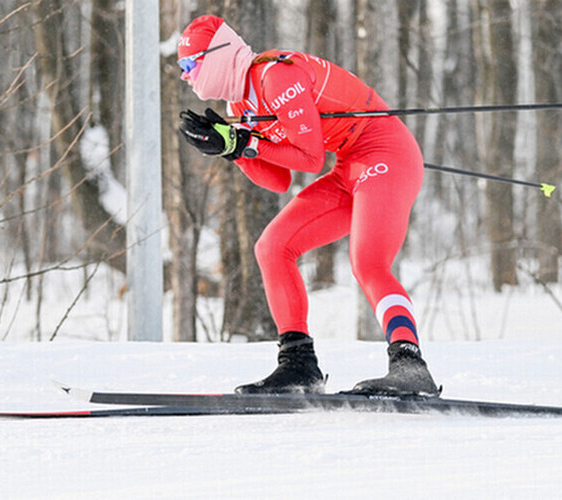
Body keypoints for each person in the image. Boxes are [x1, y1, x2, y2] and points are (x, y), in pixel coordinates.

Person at [176, 15, 439, 397]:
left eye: (190, 65)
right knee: (272, 247)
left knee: (368, 262)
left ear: (216, 57)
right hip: (350, 165)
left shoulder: (274, 77)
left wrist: (245, 144)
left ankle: (410, 365)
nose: (186, 76)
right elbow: (278, 178)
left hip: (386, 154)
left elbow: (310, 158)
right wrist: (232, 151)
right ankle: (299, 365)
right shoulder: (242, 98)